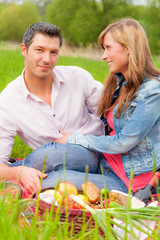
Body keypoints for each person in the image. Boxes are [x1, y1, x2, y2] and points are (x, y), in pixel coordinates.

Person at [12, 18, 160, 195]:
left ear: (128, 48)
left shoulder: (152, 92)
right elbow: (101, 116)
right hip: (103, 159)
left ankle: (14, 182)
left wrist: (75, 138)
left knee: (54, 180)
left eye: (108, 48)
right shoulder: (122, 84)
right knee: (49, 153)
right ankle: (11, 171)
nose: (104, 56)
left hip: (126, 180)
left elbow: (123, 143)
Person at [0, 22, 105, 193]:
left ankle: (20, 178)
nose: (47, 59)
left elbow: (113, 112)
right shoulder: (8, 102)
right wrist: (18, 172)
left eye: (53, 52)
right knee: (58, 180)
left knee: (52, 154)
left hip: (101, 151)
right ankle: (22, 176)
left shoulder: (77, 77)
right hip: (61, 170)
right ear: (24, 50)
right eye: (39, 50)